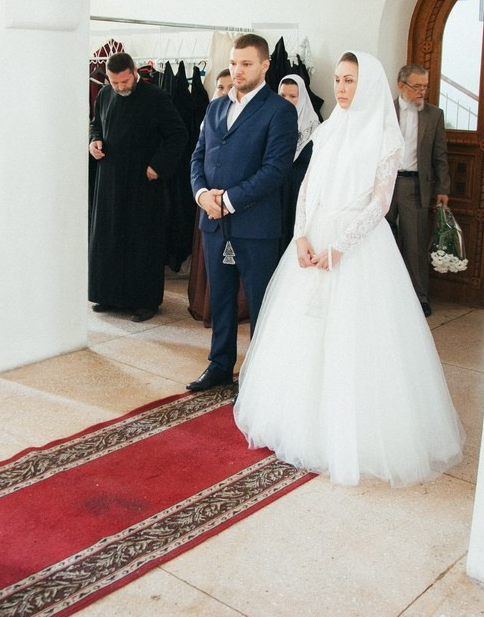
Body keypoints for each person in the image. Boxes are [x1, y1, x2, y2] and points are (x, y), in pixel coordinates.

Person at [234, 51, 464, 487]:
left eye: (350, 80)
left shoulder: (386, 137)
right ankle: (299, 421)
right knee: (305, 332)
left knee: (356, 337)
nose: (341, 88)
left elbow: (380, 203)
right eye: (338, 80)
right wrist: (301, 236)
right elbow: (308, 188)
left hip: (359, 245)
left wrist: (340, 246)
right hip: (315, 235)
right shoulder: (328, 128)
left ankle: (352, 433)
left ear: (369, 85)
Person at [187, 33, 297, 391]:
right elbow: (198, 156)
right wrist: (202, 195)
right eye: (234, 63)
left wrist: (228, 201)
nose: (237, 70)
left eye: (246, 64)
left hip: (256, 226)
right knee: (220, 298)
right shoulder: (215, 107)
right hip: (213, 223)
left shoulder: (279, 110)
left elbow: (275, 170)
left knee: (261, 302)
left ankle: (260, 375)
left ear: (265, 65)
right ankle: (220, 365)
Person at [88, 52, 188, 322]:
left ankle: (144, 301)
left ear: (134, 72)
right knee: (108, 237)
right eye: (115, 82)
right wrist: (94, 141)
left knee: (141, 241)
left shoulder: (156, 98)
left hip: (142, 183)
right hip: (109, 181)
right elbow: (97, 125)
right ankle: (107, 295)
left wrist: (158, 165)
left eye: (125, 81)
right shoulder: (104, 95)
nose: (120, 87)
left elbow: (178, 135)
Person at [386, 63, 450, 317]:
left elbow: (440, 155)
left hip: (415, 186)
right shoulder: (385, 111)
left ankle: (420, 298)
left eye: (425, 87)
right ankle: (385, 295)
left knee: (415, 244)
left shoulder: (434, 115)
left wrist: (443, 188)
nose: (422, 91)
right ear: (401, 86)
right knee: (382, 241)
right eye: (417, 86)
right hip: (385, 185)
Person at [276, 74, 319, 252]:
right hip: (275, 190)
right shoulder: (272, 123)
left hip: (300, 192)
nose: (287, 101)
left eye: (293, 96)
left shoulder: (314, 128)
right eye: (282, 96)